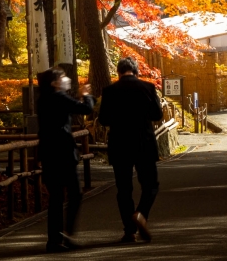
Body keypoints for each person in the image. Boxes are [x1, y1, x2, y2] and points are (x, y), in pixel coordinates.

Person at [97, 57, 165, 243]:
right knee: (151, 184)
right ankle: (141, 214)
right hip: (144, 142)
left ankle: (129, 232)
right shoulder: (148, 88)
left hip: (120, 145)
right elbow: (157, 115)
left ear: (118, 73)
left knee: (124, 189)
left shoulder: (110, 91)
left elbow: (103, 119)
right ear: (136, 72)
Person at [36, 67, 94, 252]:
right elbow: (86, 108)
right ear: (54, 83)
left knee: (56, 197)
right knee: (75, 193)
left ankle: (55, 239)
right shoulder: (59, 97)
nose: (66, 79)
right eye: (62, 77)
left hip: (48, 153)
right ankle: (66, 233)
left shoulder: (42, 100)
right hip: (64, 153)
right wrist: (86, 95)